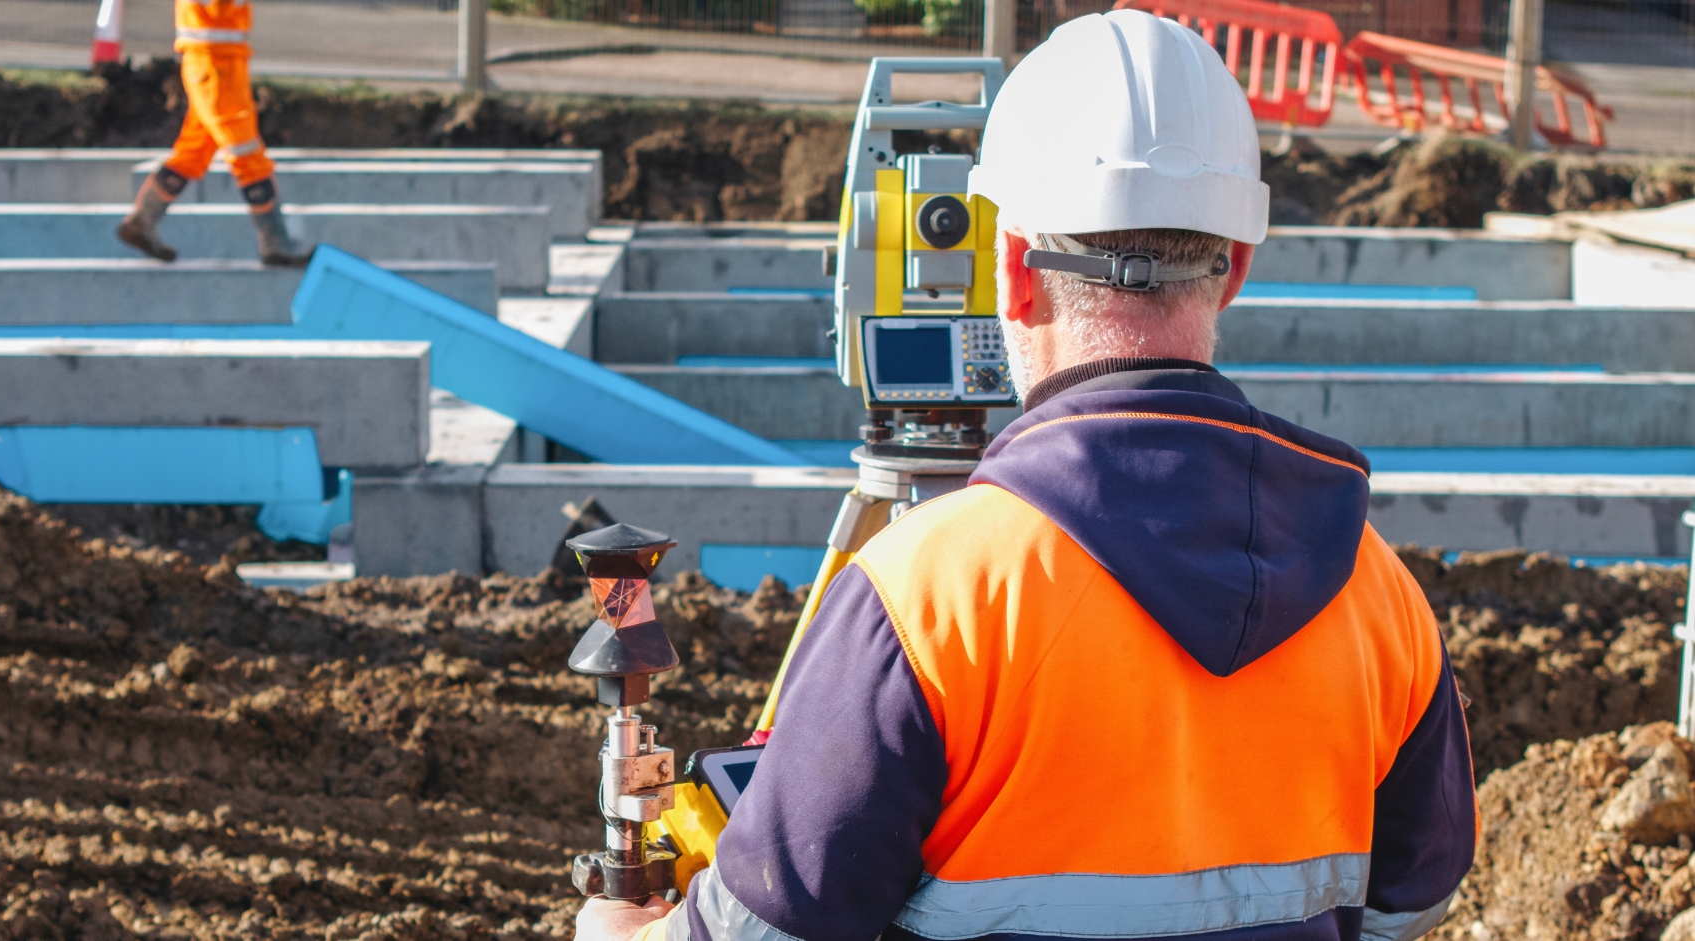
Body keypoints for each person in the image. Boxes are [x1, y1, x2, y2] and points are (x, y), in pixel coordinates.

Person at [578, 10, 1478, 941]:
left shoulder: (924, 597)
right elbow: (1413, 902)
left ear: (1011, 270)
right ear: (1237, 266)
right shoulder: (1379, 592)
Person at [116, 0, 310, 266]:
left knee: (193, 152)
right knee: (247, 155)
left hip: (215, 62)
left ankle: (141, 222)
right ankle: (275, 242)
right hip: (217, 66)